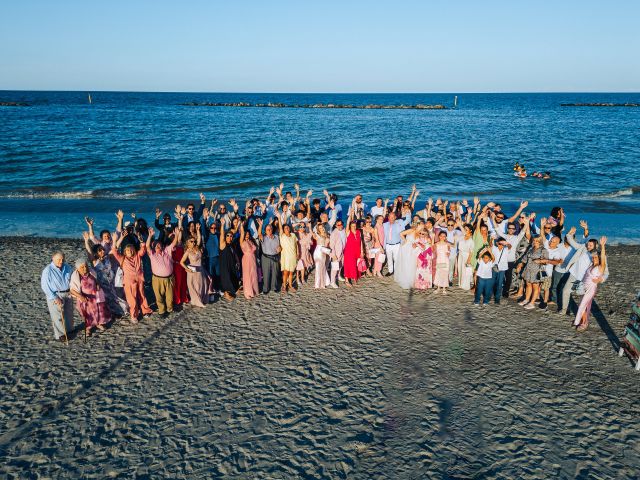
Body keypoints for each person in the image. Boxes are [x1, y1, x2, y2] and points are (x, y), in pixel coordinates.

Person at [112, 231, 153, 322]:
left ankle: (145, 311)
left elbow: (143, 249)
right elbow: (114, 251)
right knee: (132, 299)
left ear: (134, 250)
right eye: (127, 250)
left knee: (142, 295)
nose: (129, 251)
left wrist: (142, 241)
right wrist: (118, 239)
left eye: (131, 250)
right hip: (129, 282)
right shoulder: (122, 258)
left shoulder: (137, 256)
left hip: (139, 279)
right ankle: (134, 315)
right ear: (125, 252)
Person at [70, 258, 111, 336]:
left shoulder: (91, 272)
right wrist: (80, 296)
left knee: (98, 311)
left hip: (95, 297)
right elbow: (72, 290)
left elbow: (96, 280)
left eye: (86, 266)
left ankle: (98, 323)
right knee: (87, 314)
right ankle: (88, 328)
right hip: (85, 298)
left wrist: (98, 285)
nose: (85, 268)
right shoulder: (75, 276)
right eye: (82, 267)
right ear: (78, 269)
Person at [574, 237, 607, 332]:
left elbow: (603, 257)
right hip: (584, 286)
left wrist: (603, 246)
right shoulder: (591, 265)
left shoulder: (601, 267)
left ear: (599, 258)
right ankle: (584, 321)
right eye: (593, 257)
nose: (593, 258)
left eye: (595, 257)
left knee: (583, 305)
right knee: (583, 304)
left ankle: (583, 323)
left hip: (591, 288)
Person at [41, 251, 75, 342]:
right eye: (58, 259)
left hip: (68, 293)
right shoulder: (47, 270)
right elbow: (45, 286)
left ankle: (69, 330)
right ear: (53, 259)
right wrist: (54, 297)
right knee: (57, 315)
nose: (61, 261)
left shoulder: (67, 267)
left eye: (62, 259)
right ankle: (60, 334)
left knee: (69, 313)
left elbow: (73, 279)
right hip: (56, 294)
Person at [147, 226, 180, 317]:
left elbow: (174, 243)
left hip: (169, 278)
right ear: (154, 247)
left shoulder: (167, 251)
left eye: (159, 244)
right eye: (156, 245)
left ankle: (169, 308)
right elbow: (147, 246)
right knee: (159, 296)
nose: (158, 246)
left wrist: (176, 234)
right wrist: (150, 236)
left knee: (170, 296)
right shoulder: (152, 255)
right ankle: (161, 310)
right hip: (157, 279)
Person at [517, 236, 549, 310]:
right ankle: (526, 300)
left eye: (537, 241)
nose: (535, 242)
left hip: (536, 271)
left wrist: (540, 261)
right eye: (534, 240)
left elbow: (546, 261)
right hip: (528, 270)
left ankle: (532, 303)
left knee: (535, 287)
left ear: (540, 242)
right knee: (528, 285)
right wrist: (520, 265)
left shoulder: (543, 250)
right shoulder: (531, 249)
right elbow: (524, 259)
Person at [394, 221, 421, 289]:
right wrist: (405, 241)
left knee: (412, 264)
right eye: (420, 225)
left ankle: (411, 280)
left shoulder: (420, 233)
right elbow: (401, 234)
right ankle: (405, 280)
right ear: (417, 225)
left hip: (413, 249)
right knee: (406, 263)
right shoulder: (412, 230)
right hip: (406, 248)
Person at [258, 219, 281, 294]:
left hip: (275, 257)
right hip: (266, 257)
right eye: (267, 229)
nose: (269, 230)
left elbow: (279, 246)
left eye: (270, 229)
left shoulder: (277, 237)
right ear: (265, 231)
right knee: (266, 273)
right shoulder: (263, 237)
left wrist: (280, 248)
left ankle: (274, 287)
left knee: (275, 272)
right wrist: (261, 225)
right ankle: (265, 288)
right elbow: (259, 234)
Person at [239, 221, 259, 299]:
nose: (247, 235)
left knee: (253, 274)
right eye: (246, 234)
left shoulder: (251, 241)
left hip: (253, 259)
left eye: (248, 234)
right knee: (247, 275)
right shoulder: (242, 242)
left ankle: (254, 290)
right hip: (246, 259)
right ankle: (248, 292)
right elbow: (242, 234)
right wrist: (241, 226)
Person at [343, 214, 364, 287]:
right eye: (352, 226)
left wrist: (362, 251)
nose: (354, 227)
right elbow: (348, 223)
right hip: (349, 252)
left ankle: (355, 277)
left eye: (355, 226)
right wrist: (350, 215)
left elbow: (361, 242)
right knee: (348, 265)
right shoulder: (348, 232)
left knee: (356, 265)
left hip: (357, 251)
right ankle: (347, 280)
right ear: (350, 226)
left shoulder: (358, 232)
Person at [279, 220, 299, 293]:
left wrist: (298, 253)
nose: (287, 229)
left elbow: (296, 245)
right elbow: (280, 228)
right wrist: (278, 217)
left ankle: (290, 285)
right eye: (285, 228)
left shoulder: (293, 235)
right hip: (286, 256)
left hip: (293, 256)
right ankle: (284, 285)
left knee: (291, 272)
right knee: (285, 272)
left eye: (287, 227)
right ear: (283, 230)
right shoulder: (282, 236)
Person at [311, 223, 331, 289]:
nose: (321, 228)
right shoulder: (317, 235)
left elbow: (328, 243)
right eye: (320, 228)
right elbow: (312, 234)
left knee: (322, 267)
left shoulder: (327, 234)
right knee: (318, 268)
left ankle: (323, 283)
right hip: (318, 252)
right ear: (318, 229)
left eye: (322, 227)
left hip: (324, 251)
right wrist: (309, 226)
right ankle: (317, 284)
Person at [491, 238, 509, 304]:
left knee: (499, 283)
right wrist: (492, 239)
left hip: (502, 268)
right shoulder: (494, 249)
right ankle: (490, 295)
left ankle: (497, 298)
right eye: (499, 243)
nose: (500, 245)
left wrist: (506, 243)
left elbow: (510, 246)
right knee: (492, 282)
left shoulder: (506, 249)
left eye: (502, 244)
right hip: (494, 267)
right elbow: (490, 244)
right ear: (497, 243)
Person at [457, 223, 475, 291]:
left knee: (467, 270)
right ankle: (460, 283)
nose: (465, 230)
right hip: (460, 254)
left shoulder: (471, 240)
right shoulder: (462, 237)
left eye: (466, 229)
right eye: (464, 229)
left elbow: (471, 251)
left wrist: (469, 260)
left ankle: (466, 285)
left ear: (470, 230)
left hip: (467, 255)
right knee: (460, 269)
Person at [329, 219, 346, 288]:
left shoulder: (344, 230)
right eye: (338, 225)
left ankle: (338, 276)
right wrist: (334, 255)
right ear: (336, 225)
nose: (340, 226)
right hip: (336, 253)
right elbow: (331, 245)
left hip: (343, 251)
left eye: (341, 224)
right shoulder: (333, 233)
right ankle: (332, 282)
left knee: (341, 265)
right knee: (335, 267)